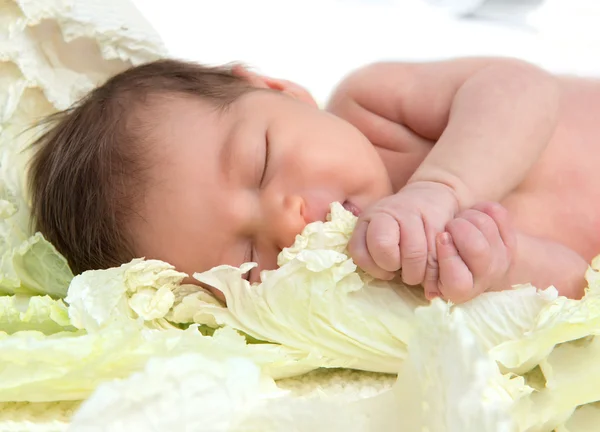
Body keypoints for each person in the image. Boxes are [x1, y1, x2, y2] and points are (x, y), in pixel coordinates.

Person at [28, 57, 600, 304]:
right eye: (248, 258)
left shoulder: (374, 107)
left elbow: (522, 88)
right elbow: (581, 285)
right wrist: (495, 266)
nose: (285, 219)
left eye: (261, 163)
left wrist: (441, 189)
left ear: (277, 90)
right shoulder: (384, 288)